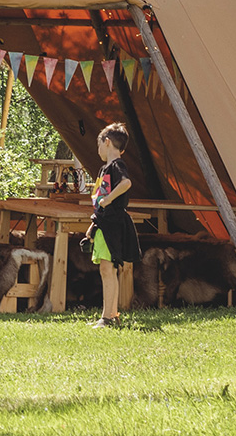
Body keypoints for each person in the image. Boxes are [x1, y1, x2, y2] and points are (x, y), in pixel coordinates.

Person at [89, 123, 141, 328]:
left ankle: (107, 318)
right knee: (107, 269)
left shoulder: (117, 166)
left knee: (107, 268)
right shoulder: (105, 169)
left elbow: (126, 184)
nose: (98, 149)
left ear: (107, 142)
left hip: (113, 224)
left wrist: (109, 199)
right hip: (104, 223)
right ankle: (110, 315)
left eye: (99, 144)